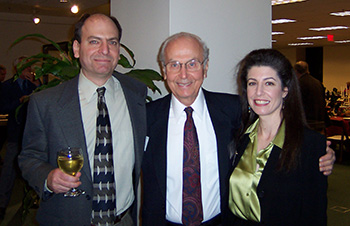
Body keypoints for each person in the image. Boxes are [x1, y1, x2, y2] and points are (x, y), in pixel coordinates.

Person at [141, 32, 334, 226]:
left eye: (192, 63)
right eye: (174, 64)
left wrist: (323, 155)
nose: (183, 74)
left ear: (205, 67)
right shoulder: (144, 117)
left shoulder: (232, 111)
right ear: (164, 71)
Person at [18, 14, 147, 226]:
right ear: (77, 49)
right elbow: (29, 157)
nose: (104, 50)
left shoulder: (136, 94)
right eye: (94, 41)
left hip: (123, 220)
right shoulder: (45, 103)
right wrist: (48, 178)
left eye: (112, 42)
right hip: (67, 219)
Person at [226, 49, 327, 225]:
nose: (258, 92)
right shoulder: (240, 136)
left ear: (285, 89)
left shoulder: (310, 144)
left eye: (269, 83)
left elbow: (314, 214)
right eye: (252, 83)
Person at [0, 57, 40, 220]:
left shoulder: (35, 85)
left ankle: (33, 200)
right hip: (16, 134)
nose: (28, 70)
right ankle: (2, 205)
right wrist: (20, 100)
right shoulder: (7, 86)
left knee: (35, 168)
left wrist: (37, 85)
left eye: (29, 67)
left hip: (34, 135)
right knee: (8, 171)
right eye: (25, 67)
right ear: (17, 69)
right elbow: (3, 108)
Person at [294, 61, 326, 132]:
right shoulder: (318, 83)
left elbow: (295, 103)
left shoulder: (299, 83)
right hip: (319, 121)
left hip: (306, 122)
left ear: (296, 71)